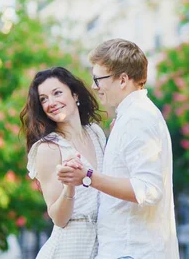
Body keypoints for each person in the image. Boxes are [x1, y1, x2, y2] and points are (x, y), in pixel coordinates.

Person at [57, 39, 179, 259]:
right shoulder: (131, 117)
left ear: (123, 80)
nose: (94, 86)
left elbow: (147, 189)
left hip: (131, 251)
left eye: (98, 79)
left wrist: (88, 177)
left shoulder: (137, 119)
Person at [21, 67, 106, 259]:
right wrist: (70, 187)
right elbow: (58, 218)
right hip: (68, 248)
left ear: (74, 94)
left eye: (57, 93)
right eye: (43, 99)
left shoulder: (95, 133)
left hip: (102, 244)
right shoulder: (49, 148)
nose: (51, 103)